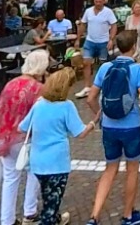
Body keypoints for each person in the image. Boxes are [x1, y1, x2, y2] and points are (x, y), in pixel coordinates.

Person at [86, 30, 140, 225]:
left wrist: (100, 114)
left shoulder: (105, 67)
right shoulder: (138, 69)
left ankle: (94, 216)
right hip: (131, 126)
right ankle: (128, 215)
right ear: (133, 47)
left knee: (109, 169)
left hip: (109, 126)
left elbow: (90, 98)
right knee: (132, 169)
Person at [19, 68, 98, 225]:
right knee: (52, 202)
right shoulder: (66, 106)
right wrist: (92, 123)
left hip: (38, 162)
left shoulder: (39, 105)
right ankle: (50, 220)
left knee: (47, 196)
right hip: (57, 163)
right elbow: (80, 133)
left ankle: (55, 218)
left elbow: (23, 127)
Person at [0, 50, 49, 225]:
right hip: (25, 138)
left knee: (10, 178)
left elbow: (0, 109)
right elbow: (40, 116)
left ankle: (7, 220)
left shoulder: (11, 83)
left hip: (5, 136)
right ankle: (30, 211)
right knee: (33, 173)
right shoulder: (38, 88)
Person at [75, 0, 118, 99]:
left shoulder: (108, 12)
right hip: (90, 40)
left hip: (103, 41)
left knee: (103, 65)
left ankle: (101, 86)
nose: (98, 4)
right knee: (86, 63)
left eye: (100, 2)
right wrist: (78, 39)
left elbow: (114, 25)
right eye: (96, 2)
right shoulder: (88, 11)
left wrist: (111, 39)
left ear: (103, 1)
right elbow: (83, 25)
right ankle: (86, 87)